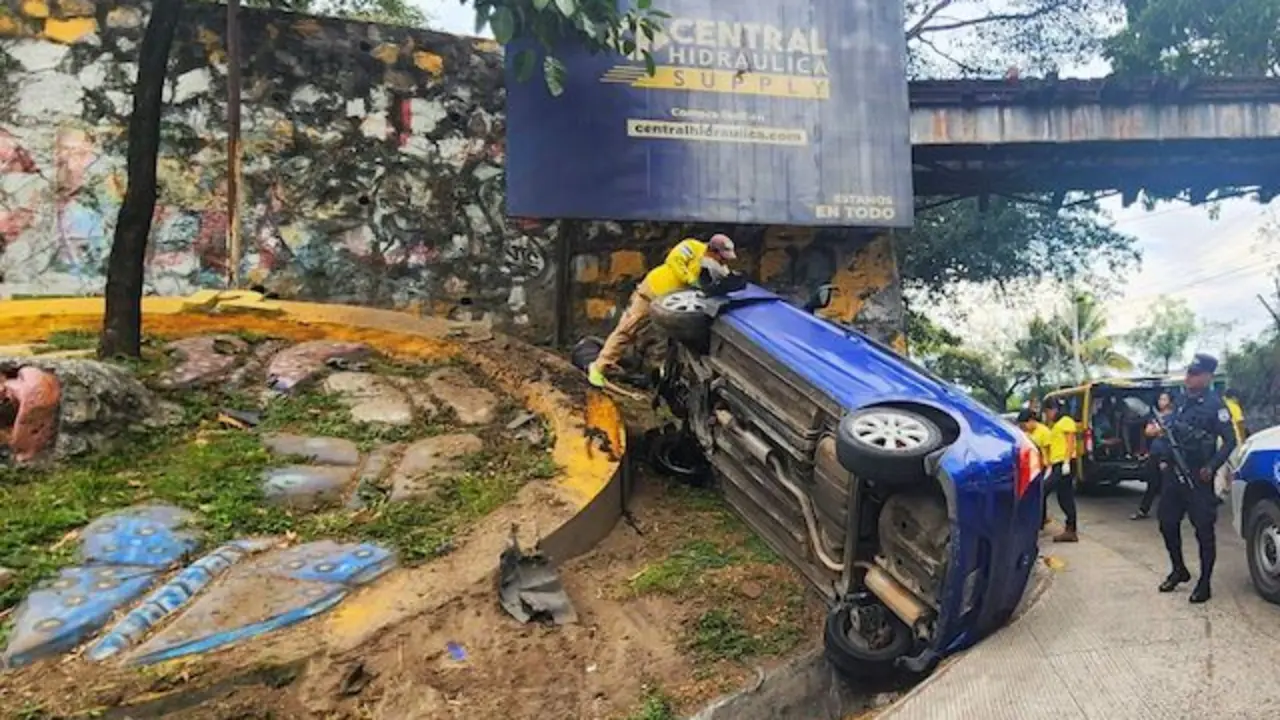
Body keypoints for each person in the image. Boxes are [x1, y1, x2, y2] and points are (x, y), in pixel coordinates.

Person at [588, 234, 737, 388]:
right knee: (628, 329)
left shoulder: (715, 266)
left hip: (672, 306)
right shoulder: (691, 246)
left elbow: (724, 279)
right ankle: (599, 367)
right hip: (652, 291)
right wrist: (691, 280)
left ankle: (665, 380)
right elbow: (674, 261)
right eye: (722, 257)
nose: (723, 261)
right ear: (713, 250)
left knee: (669, 344)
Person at [1151, 353, 1237, 603]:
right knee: (1167, 523)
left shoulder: (1216, 405)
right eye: (1188, 373)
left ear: (1208, 376)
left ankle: (1205, 582)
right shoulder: (1180, 401)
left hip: (1199, 476)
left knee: (1203, 531)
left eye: (1195, 374)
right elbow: (1170, 431)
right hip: (1174, 475)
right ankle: (1179, 569)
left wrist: (1211, 466)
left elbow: (1230, 440)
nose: (1189, 378)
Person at [1132, 390, 1175, 520]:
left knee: (1167, 484)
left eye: (1164, 399)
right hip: (1154, 453)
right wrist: (1160, 429)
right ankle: (1143, 509)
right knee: (1152, 483)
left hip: (1167, 454)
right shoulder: (1155, 416)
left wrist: (1158, 430)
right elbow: (1148, 432)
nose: (1161, 402)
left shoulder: (1174, 416)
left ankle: (1168, 511)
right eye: (1160, 399)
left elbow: (1171, 432)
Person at [1043, 398, 1080, 542]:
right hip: (1057, 463)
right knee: (1063, 496)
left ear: (1054, 410)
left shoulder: (1066, 421)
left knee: (1045, 489)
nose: (1047, 415)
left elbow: (1070, 442)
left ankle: (1042, 520)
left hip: (1066, 462)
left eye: (1048, 412)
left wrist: (1066, 461)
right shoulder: (1056, 425)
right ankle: (1070, 530)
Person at [1017, 409, 1053, 526]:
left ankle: (1040, 520)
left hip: (1044, 466)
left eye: (1024, 424)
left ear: (1032, 421)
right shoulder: (1025, 432)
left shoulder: (1044, 432)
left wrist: (1049, 466)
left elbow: (1049, 451)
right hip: (1030, 466)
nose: (1023, 427)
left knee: (1041, 493)